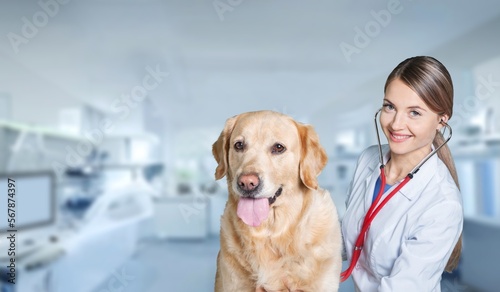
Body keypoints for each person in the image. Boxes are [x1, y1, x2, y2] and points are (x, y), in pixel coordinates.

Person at [341, 56, 463, 291]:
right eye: (390, 107)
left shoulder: (443, 205)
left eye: (414, 113)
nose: (396, 124)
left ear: (441, 120)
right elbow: (351, 235)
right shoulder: (368, 159)